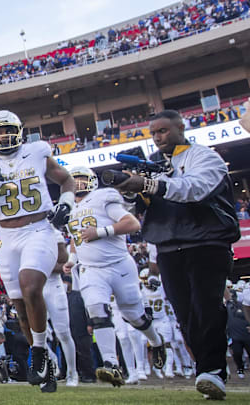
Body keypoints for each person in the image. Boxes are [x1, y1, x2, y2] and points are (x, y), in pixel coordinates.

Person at [114, 110, 241, 400]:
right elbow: (140, 209)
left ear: (180, 127)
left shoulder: (204, 156)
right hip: (169, 244)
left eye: (163, 131)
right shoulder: (153, 165)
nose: (158, 138)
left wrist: (147, 184)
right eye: (154, 133)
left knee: (206, 306)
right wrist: (131, 192)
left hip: (207, 242)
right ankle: (206, 370)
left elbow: (194, 190)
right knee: (185, 313)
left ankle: (213, 371)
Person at [0, 110, 75, 393]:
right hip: (6, 235)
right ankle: (47, 363)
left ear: (19, 130)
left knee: (30, 288)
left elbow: (66, 180)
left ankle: (38, 354)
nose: (3, 135)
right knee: (20, 310)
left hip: (38, 228)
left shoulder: (37, 152)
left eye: (7, 129)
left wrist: (66, 204)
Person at [65, 166, 167, 387]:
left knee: (134, 316)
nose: (78, 184)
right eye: (74, 180)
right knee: (96, 311)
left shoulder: (103, 197)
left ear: (92, 181)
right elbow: (76, 236)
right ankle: (111, 364)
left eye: (82, 179)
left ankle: (156, 341)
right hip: (91, 268)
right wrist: (71, 260)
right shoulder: (70, 208)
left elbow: (132, 223)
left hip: (119, 265)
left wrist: (100, 232)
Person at [43, 231, 78, 386]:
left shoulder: (53, 233)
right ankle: (52, 361)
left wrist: (40, 267)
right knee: (34, 333)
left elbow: (63, 264)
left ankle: (72, 373)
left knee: (63, 332)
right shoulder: (23, 233)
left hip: (53, 285)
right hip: (35, 287)